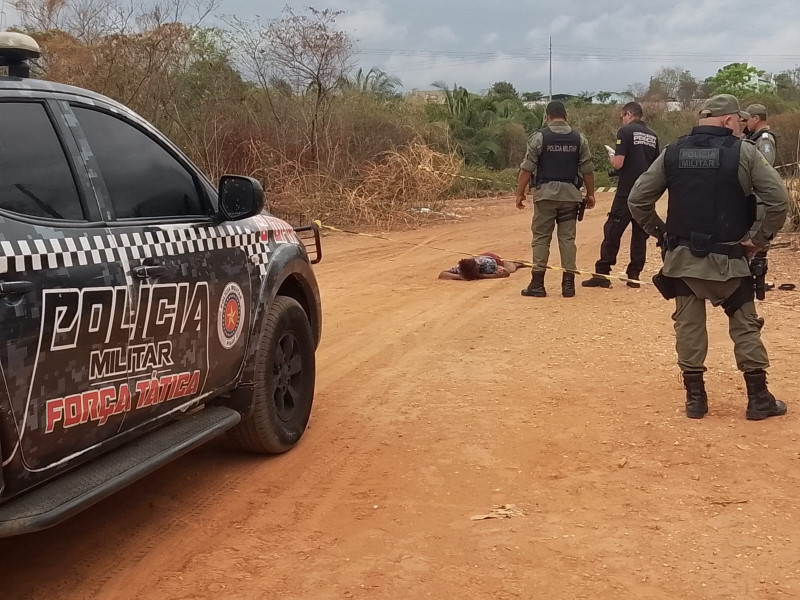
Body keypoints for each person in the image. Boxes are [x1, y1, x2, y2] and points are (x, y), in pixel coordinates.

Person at [627, 94, 789, 421]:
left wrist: (662, 233)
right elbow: (778, 202)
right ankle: (758, 399)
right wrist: (757, 241)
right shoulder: (744, 152)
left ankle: (695, 400)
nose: (742, 128)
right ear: (729, 121)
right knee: (745, 327)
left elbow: (637, 200)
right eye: (739, 123)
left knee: (688, 326)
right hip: (731, 260)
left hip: (683, 260)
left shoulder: (672, 152)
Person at [515, 101, 595, 298]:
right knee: (567, 239)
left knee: (541, 238)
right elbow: (587, 169)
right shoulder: (579, 139)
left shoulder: (539, 138)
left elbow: (527, 168)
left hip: (545, 197)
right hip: (570, 197)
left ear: (547, 116)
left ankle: (537, 284)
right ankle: (568, 285)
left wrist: (520, 193)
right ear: (565, 116)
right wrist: (591, 194)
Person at [583, 102, 659, 289]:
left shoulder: (624, 132)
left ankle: (603, 273)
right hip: (646, 192)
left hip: (626, 192)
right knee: (640, 234)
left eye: (622, 116)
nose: (622, 119)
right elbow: (657, 165)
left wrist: (611, 158)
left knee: (613, 230)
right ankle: (633, 275)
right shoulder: (653, 136)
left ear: (628, 115)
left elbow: (618, 164)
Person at [438, 252, 519, 280]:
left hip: (494, 258)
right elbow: (442, 274)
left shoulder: (488, 266)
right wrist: (460, 277)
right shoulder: (460, 267)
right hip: (480, 256)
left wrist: (483, 276)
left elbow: (506, 272)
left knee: (512, 268)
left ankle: (518, 263)